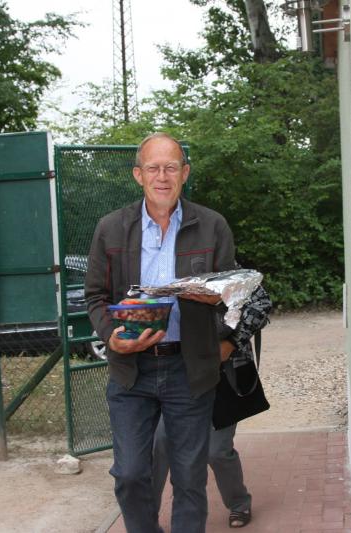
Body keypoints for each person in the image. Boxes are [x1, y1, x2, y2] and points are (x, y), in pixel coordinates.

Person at [85, 132, 237, 533]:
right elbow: (95, 295)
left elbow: (233, 294)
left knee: (189, 478)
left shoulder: (212, 226)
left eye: (171, 167)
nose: (162, 176)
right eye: (153, 168)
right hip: (131, 370)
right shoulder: (111, 228)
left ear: (185, 173)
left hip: (189, 370)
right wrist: (111, 336)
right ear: (138, 175)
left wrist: (216, 305)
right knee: (131, 474)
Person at [152, 285, 272, 529]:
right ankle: (144, 513)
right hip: (179, 375)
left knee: (216, 451)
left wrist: (231, 342)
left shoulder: (231, 271)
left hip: (223, 375)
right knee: (160, 443)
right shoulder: (168, 272)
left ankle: (239, 502)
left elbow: (261, 305)